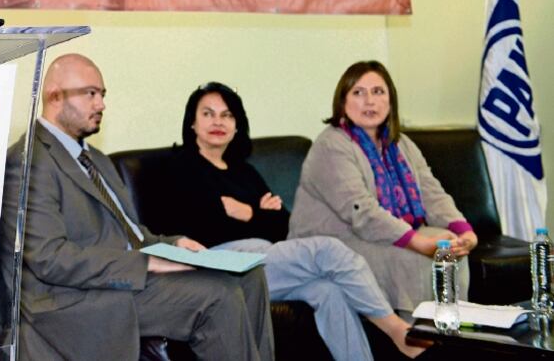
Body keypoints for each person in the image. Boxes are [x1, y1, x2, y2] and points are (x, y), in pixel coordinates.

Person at [2, 54, 273, 361]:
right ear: (54, 96)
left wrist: (173, 245)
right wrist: (145, 264)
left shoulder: (96, 160)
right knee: (218, 297)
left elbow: (132, 234)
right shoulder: (28, 161)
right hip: (74, 300)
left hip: (121, 280)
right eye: (90, 93)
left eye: (102, 94)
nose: (101, 104)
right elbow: (50, 259)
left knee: (250, 276)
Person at [162, 82, 423, 360]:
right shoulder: (181, 166)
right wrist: (259, 214)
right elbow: (205, 225)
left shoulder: (244, 171)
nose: (218, 122)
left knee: (328, 290)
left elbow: (284, 225)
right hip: (217, 264)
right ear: (192, 123)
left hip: (262, 260)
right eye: (208, 114)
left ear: (237, 125)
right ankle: (396, 330)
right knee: (329, 250)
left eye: (227, 115)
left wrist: (249, 213)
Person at [289, 60, 478, 310]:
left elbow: (432, 193)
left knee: (452, 253)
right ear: (342, 103)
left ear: (390, 101)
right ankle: (418, 338)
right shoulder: (331, 145)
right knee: (415, 259)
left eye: (378, 92)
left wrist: (464, 231)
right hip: (335, 244)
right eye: (358, 93)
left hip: (382, 234)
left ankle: (452, 330)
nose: (370, 101)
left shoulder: (401, 144)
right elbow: (363, 212)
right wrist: (418, 242)